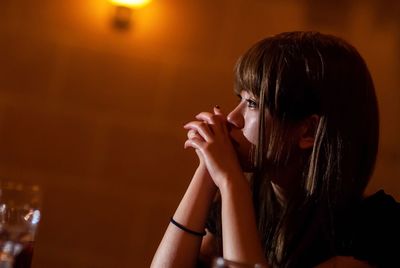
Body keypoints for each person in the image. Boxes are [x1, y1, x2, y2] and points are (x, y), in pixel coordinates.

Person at [151, 31, 400, 268]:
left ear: (308, 132)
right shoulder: (252, 201)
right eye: (240, 99)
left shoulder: (374, 229)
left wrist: (230, 182)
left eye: (252, 103)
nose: (231, 119)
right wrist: (207, 171)